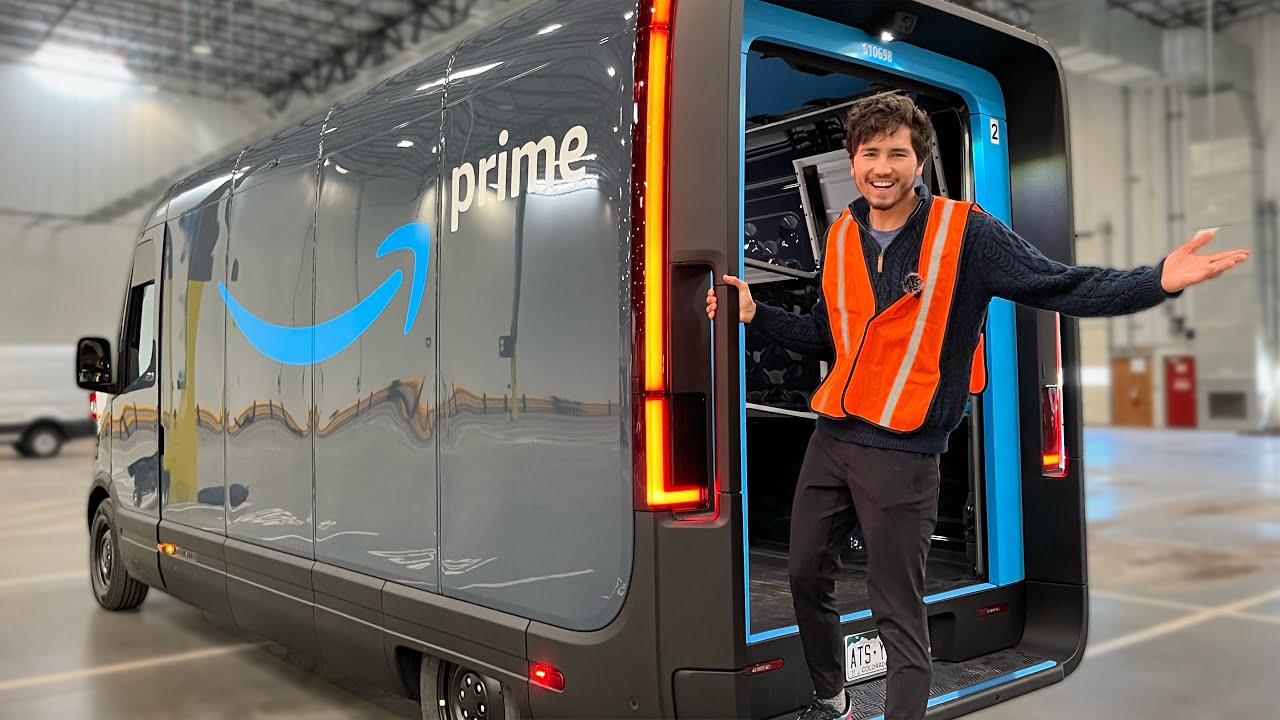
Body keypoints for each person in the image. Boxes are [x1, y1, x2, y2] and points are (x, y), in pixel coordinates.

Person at [705, 93, 1249, 720]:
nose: (882, 167)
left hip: (904, 449)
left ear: (919, 162)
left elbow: (1061, 284)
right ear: (852, 161)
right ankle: (832, 701)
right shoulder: (842, 234)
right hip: (833, 438)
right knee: (804, 574)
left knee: (895, 606)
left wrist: (1157, 280)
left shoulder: (966, 233)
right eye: (870, 153)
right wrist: (757, 314)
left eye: (897, 154)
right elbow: (832, 334)